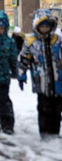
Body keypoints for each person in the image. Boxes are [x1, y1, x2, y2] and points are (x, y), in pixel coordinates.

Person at [18, 11, 62, 139]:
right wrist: (21, 74)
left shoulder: (58, 41)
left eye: (47, 26)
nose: (45, 29)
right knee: (43, 109)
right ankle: (44, 132)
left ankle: (54, 132)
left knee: (57, 109)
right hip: (41, 82)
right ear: (36, 27)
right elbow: (24, 58)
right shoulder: (31, 42)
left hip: (58, 81)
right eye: (42, 27)